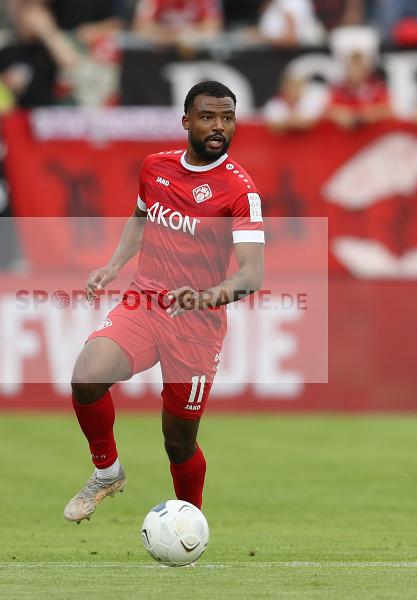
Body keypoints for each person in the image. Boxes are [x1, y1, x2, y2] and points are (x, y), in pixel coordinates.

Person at [63, 81, 265, 523]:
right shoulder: (155, 167)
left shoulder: (240, 191)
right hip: (145, 302)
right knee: (86, 376)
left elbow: (252, 274)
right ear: (186, 121)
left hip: (197, 324)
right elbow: (140, 219)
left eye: (227, 118)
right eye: (208, 117)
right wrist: (114, 266)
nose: (219, 127)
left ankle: (190, 524)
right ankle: (107, 472)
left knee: (178, 441)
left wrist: (205, 297)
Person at [323, 50, 392, 129]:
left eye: (358, 68)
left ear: (366, 70)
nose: (355, 72)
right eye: (352, 68)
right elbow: (327, 110)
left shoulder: (377, 88)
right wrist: (340, 115)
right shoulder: (338, 89)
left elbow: (389, 109)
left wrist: (369, 115)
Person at [132, 0, 223, 48]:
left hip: (194, 53)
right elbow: (141, 27)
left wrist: (189, 34)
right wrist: (173, 36)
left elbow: (214, 26)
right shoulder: (154, 1)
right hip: (157, 53)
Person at [258, 0, 326, 47]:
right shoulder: (276, 3)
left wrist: (262, 39)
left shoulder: (291, 2)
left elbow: (292, 39)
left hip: (287, 57)